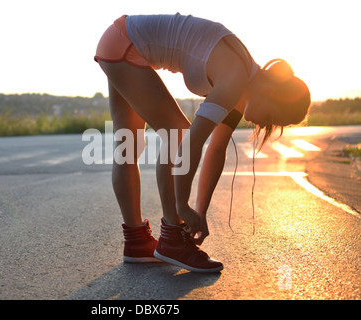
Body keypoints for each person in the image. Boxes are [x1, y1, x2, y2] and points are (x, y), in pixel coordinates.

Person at [94, 14, 310, 273]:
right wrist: (182, 206)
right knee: (178, 132)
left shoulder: (240, 87)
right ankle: (172, 237)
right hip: (127, 44)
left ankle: (136, 241)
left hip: (118, 40)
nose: (265, 126)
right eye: (273, 118)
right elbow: (190, 145)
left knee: (127, 144)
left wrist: (200, 211)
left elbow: (216, 149)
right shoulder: (234, 80)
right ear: (272, 93)